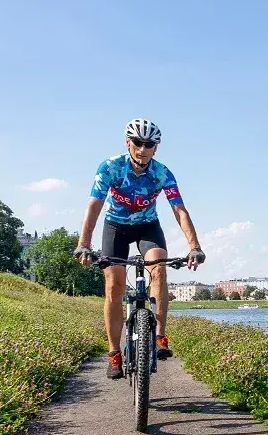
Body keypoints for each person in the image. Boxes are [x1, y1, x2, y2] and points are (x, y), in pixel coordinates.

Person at [74, 118, 205, 379]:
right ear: (128, 143)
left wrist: (194, 246)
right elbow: (95, 206)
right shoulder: (111, 167)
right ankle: (114, 353)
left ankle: (159, 337)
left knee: (159, 266)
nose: (142, 149)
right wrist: (84, 244)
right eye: (137, 143)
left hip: (148, 227)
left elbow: (179, 209)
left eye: (149, 144)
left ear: (156, 148)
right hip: (116, 227)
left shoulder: (162, 173)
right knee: (114, 283)